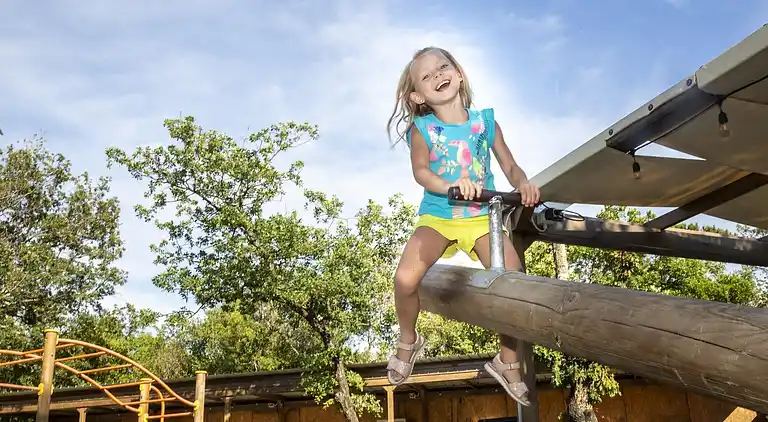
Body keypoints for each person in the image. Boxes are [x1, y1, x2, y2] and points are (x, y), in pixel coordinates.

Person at [384, 46, 541, 406]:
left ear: (458, 72)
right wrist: (451, 187)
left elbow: (511, 166)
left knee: (513, 281)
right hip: (440, 214)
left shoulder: (485, 123)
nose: (438, 75)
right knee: (405, 278)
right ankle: (409, 338)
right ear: (417, 95)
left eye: (443, 67)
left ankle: (507, 358)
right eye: (427, 75)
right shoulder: (422, 128)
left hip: (481, 217)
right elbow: (421, 172)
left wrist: (524, 184)